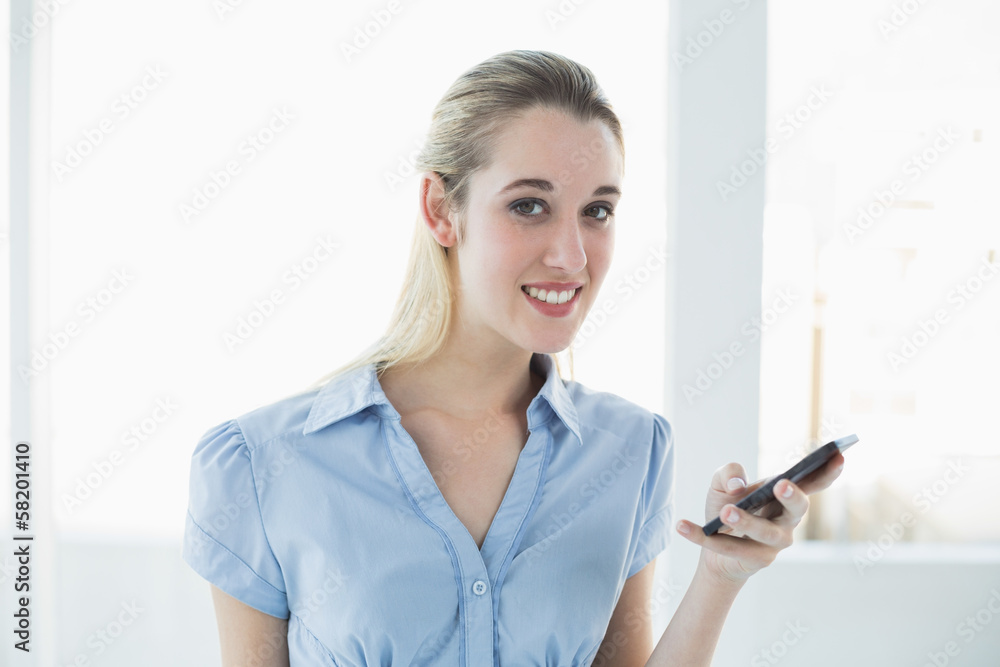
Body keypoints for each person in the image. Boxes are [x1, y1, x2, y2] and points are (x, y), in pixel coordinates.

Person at [181, 49, 844, 667]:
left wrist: (720, 576)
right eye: (529, 205)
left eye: (597, 210)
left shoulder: (630, 450)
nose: (572, 255)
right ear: (441, 209)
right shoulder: (264, 463)